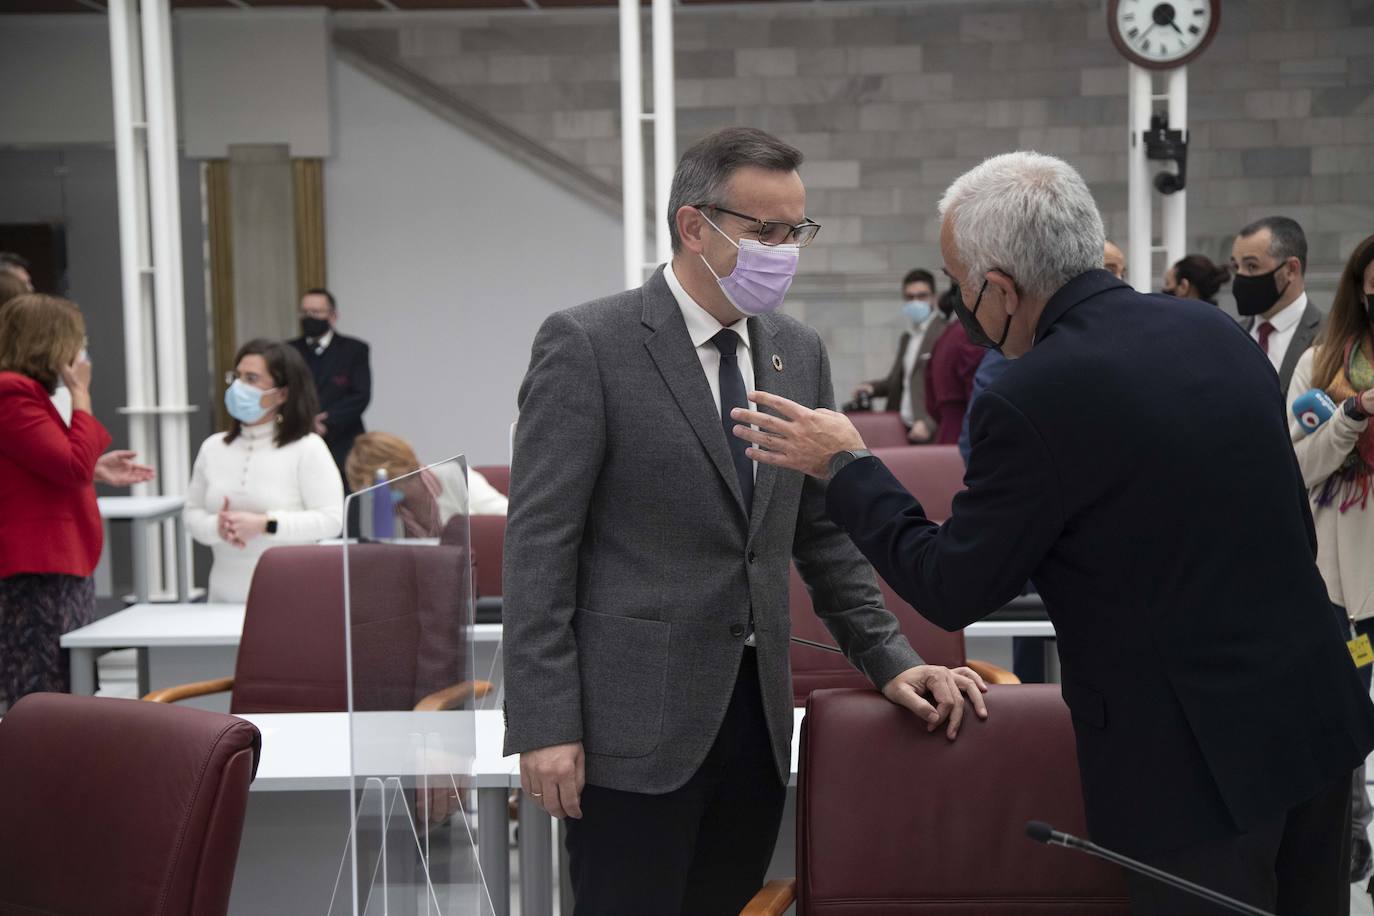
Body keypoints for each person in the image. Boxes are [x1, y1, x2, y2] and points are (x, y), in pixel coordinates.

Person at [730, 151, 1374, 916]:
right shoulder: (1214, 331)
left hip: (1190, 764)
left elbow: (953, 584)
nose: (960, 312)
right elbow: (1271, 524)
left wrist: (848, 468)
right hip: (1312, 718)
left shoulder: (1033, 396)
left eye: (962, 290)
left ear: (1001, 288)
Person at [503, 127, 988, 915]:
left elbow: (822, 536)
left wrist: (891, 660)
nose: (784, 250)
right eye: (764, 231)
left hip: (755, 728)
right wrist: (543, 723)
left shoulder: (797, 350)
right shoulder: (590, 343)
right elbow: (538, 547)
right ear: (695, 226)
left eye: (795, 230)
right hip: (631, 735)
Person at [1286, 232, 1374, 884]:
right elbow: (1298, 467)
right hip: (1336, 579)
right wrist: (1350, 417)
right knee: (1341, 717)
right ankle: (1350, 839)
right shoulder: (1318, 366)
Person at [0, 294, 110, 706]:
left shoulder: (22, 392)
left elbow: (43, 464)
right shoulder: (12, 393)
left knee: (65, 681)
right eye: (75, 340)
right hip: (39, 563)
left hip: (52, 560)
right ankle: (46, 770)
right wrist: (81, 395)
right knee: (46, 687)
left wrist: (96, 467)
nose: (79, 353)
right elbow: (71, 466)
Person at [184, 339, 343, 603]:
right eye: (236, 376)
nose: (238, 386)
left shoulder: (307, 448)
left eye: (251, 378)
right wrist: (217, 527)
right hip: (223, 596)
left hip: (290, 597)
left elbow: (331, 520)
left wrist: (265, 524)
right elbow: (192, 515)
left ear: (281, 394)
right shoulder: (213, 448)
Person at [1231, 216, 1325, 394]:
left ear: (1291, 269)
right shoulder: (1230, 334)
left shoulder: (1332, 335)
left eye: (1251, 266)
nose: (1239, 276)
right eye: (1236, 266)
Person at [852, 269, 947, 442]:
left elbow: (948, 387)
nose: (915, 302)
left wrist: (929, 422)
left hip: (929, 431)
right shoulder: (908, 337)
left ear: (934, 297)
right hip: (904, 427)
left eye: (922, 296)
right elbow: (897, 381)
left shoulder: (944, 333)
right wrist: (871, 388)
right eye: (910, 297)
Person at [288, 288, 371, 485]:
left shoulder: (354, 350)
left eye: (316, 312)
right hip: (300, 440)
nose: (310, 317)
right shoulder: (288, 351)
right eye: (305, 312)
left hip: (343, 442)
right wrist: (307, 422)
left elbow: (360, 395)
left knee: (347, 505)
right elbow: (284, 392)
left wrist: (327, 422)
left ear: (333, 316)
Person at [344, 431, 509, 527]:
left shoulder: (456, 476)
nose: (374, 497)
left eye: (374, 485)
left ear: (396, 470)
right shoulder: (391, 510)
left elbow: (506, 520)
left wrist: (466, 526)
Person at [923, 293, 984, 445]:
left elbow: (930, 398)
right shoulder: (968, 335)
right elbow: (978, 392)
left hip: (946, 432)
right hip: (966, 432)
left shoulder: (945, 336)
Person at [1164, 254, 1230, 306]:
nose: (1164, 288)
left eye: (1167, 283)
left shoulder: (1175, 320)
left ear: (1184, 286)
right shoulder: (1218, 318)